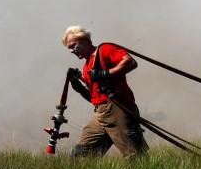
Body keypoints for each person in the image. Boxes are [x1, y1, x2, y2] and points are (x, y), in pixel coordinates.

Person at [62, 25, 149, 158]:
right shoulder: (86, 67)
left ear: (85, 40)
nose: (72, 50)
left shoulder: (104, 50)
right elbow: (95, 99)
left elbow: (131, 62)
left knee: (136, 157)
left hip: (119, 109)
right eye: (69, 48)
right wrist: (79, 88)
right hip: (100, 114)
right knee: (80, 156)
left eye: (74, 45)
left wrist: (105, 73)